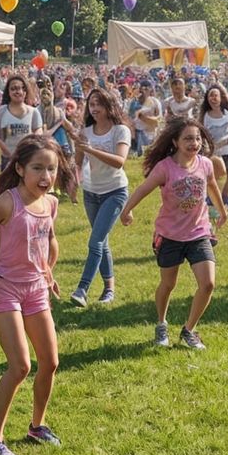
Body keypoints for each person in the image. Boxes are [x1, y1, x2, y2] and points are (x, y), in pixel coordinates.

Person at [0, 136, 61, 455]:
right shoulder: (7, 203)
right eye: (38, 168)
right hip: (5, 288)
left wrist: (49, 271)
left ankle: (37, 426)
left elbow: (49, 239)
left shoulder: (50, 202)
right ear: (21, 168)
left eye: (51, 168)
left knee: (49, 362)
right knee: (21, 366)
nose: (45, 176)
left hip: (36, 288)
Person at [121, 117, 228, 350]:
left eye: (197, 138)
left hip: (199, 231)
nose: (194, 143)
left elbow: (212, 186)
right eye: (188, 138)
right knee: (168, 284)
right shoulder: (165, 168)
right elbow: (144, 188)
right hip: (169, 234)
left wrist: (222, 210)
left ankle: (189, 330)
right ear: (176, 142)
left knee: (208, 283)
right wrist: (127, 210)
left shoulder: (205, 164)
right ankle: (161, 323)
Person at [70, 87, 131, 308]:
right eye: (91, 104)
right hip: (91, 192)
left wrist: (91, 149)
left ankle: (82, 289)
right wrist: (74, 181)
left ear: (109, 106)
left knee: (95, 240)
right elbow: (78, 161)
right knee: (101, 240)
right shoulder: (85, 131)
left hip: (115, 191)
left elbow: (119, 161)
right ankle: (109, 289)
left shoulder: (120, 131)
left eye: (98, 104)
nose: (94, 108)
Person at [200, 83, 228, 208]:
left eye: (216, 95)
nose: (213, 99)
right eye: (210, 96)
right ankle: (211, 197)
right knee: (215, 176)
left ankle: (225, 195)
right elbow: (202, 133)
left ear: (221, 98)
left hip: (227, 150)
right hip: (213, 152)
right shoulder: (206, 116)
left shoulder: (227, 113)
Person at [0, 76, 42, 166]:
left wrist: (32, 143)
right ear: (8, 91)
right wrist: (9, 153)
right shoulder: (1, 112)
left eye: (21, 88)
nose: (18, 92)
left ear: (26, 91)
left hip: (28, 157)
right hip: (7, 158)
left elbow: (38, 130)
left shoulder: (33, 112)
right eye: (13, 88)